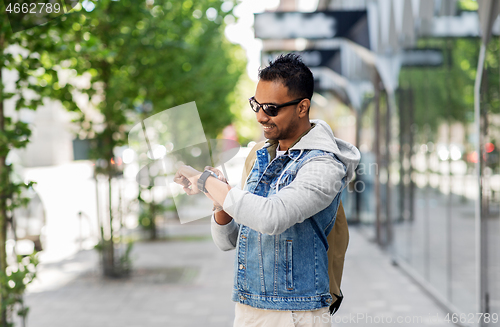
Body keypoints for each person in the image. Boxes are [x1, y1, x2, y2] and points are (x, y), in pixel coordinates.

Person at [174, 54, 360, 327]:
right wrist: (217, 200)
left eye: (271, 108)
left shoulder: (324, 165)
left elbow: (271, 217)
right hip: (248, 308)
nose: (261, 116)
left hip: (296, 314)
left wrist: (206, 182)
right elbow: (228, 241)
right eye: (256, 104)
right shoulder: (259, 156)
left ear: (302, 107)